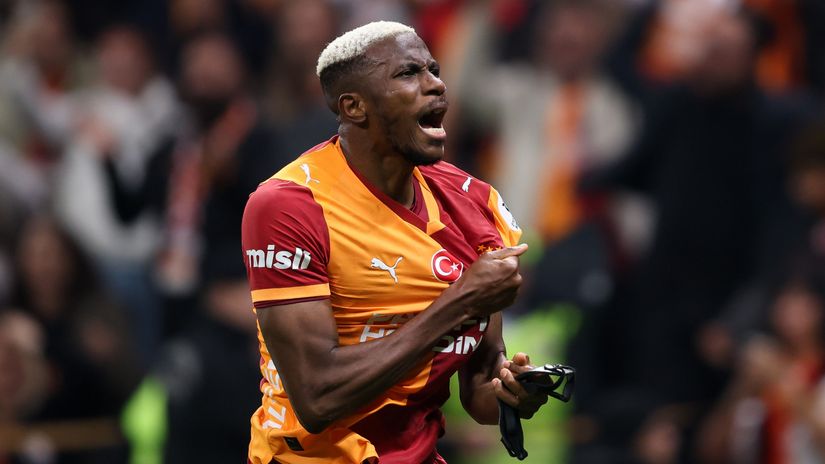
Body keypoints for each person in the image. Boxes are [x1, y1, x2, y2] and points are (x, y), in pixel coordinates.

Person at [242, 21, 552, 464]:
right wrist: (461, 302)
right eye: (409, 74)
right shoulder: (289, 206)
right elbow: (317, 399)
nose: (436, 85)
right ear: (354, 107)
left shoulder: (476, 207)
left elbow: (479, 388)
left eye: (434, 69)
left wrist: (511, 390)